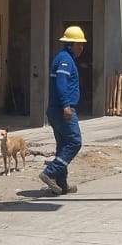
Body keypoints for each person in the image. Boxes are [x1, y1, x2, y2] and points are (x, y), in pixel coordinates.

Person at [39, 25, 87, 196]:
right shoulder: (65, 60)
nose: (81, 48)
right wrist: (66, 105)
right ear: (69, 44)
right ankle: (50, 172)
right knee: (74, 141)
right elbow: (61, 83)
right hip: (62, 109)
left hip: (56, 109)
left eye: (82, 44)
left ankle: (61, 184)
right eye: (78, 44)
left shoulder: (63, 58)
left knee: (63, 146)